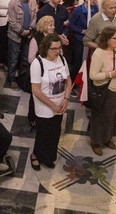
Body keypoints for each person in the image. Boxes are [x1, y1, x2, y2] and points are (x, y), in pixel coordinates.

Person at [29, 33, 71, 170]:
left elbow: (68, 81)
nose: (57, 51)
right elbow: (36, 90)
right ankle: (36, 155)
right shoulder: (38, 63)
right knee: (43, 133)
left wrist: (66, 99)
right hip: (44, 106)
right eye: (54, 48)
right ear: (46, 48)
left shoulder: (62, 59)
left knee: (55, 132)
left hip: (60, 104)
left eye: (59, 48)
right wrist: (53, 105)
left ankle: (48, 157)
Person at [89, 27, 116, 155]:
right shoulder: (99, 53)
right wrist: (111, 74)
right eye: (115, 38)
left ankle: (106, 138)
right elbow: (93, 75)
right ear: (107, 39)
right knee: (101, 116)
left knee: (112, 115)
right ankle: (95, 141)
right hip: (104, 89)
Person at [7, 0, 38, 90]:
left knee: (26, 58)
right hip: (15, 36)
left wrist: (30, 29)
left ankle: (23, 78)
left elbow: (34, 16)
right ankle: (11, 79)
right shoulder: (13, 3)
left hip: (29, 35)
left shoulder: (32, 0)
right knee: (13, 59)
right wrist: (22, 31)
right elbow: (12, 21)